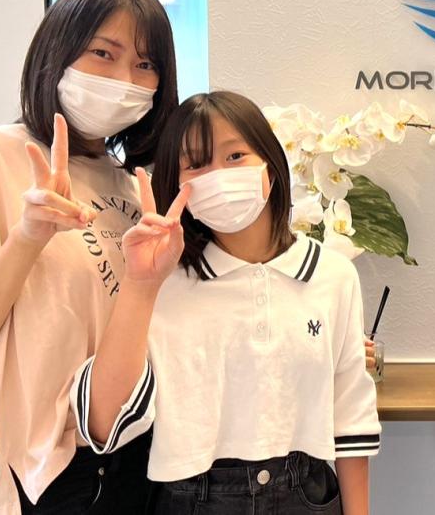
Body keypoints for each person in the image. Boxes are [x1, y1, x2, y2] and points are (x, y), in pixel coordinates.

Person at [72, 91, 380, 515]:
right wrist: (141, 285)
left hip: (305, 493)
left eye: (235, 156)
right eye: (196, 164)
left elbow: (351, 419)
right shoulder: (162, 280)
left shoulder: (333, 275)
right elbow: (103, 423)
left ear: (270, 165)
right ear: (176, 184)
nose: (218, 175)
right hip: (190, 498)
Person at [0, 0, 179, 514]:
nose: (124, 79)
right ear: (56, 50)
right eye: (103, 53)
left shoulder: (135, 186)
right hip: (31, 472)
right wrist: (27, 236)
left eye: (145, 65)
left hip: (134, 453)